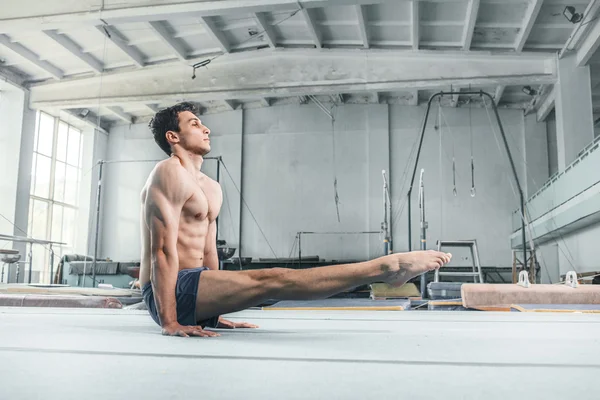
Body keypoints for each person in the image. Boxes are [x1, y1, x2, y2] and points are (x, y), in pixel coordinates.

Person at [140, 102, 452, 338]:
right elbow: (163, 251)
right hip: (165, 292)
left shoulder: (211, 187)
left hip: (195, 289)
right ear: (173, 136)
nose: (206, 129)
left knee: (272, 286)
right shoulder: (169, 173)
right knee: (271, 279)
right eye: (195, 124)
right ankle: (385, 268)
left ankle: (384, 271)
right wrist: (170, 321)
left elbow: (209, 255)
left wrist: (215, 311)